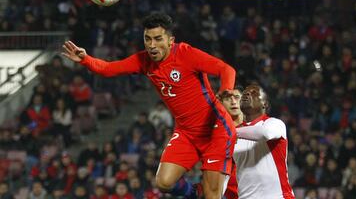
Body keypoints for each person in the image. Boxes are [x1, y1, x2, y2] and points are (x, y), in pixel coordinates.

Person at [62, 12, 237, 198]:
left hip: (215, 130)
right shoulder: (143, 60)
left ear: (170, 40)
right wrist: (86, 60)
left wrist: (226, 89)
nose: (152, 45)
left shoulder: (186, 54)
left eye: (157, 39)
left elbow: (226, 69)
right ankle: (196, 192)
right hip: (187, 132)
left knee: (214, 195)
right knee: (164, 182)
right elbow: (109, 69)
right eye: (147, 39)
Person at [232, 84, 295, 199]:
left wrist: (231, 132)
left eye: (254, 93)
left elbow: (265, 133)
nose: (246, 94)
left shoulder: (275, 123)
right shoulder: (234, 133)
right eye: (245, 92)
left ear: (265, 104)